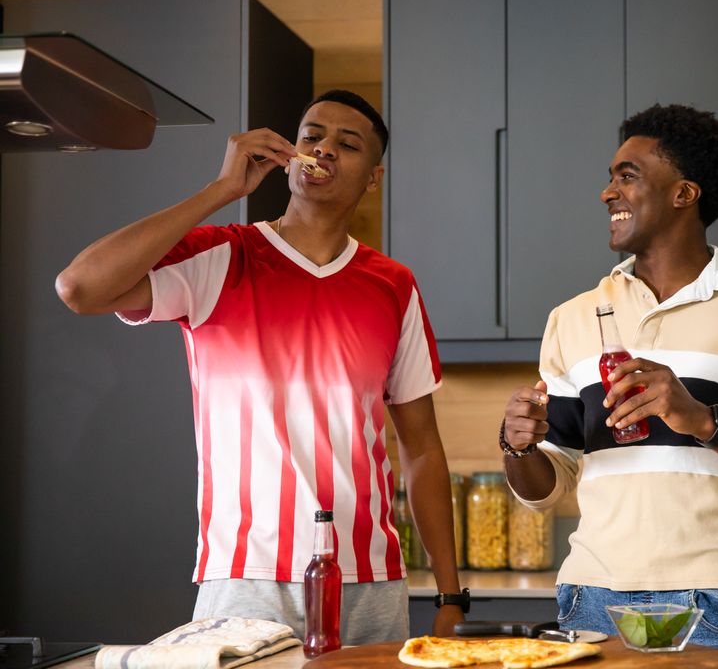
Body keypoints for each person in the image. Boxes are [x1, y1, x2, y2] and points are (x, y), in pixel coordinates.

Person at [55, 89, 467, 643]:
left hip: (371, 582)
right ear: (290, 154)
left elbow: (422, 450)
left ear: (374, 178)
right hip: (247, 578)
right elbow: (79, 287)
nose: (323, 149)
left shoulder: (393, 285)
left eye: (347, 144)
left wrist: (449, 595)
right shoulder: (221, 257)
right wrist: (222, 189)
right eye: (312, 136)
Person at [499, 104, 718, 650]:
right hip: (590, 598)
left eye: (627, 176)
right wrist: (518, 447)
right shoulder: (571, 318)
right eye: (611, 177)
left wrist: (705, 422)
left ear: (684, 194)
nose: (607, 192)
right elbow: (549, 486)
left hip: (714, 603)